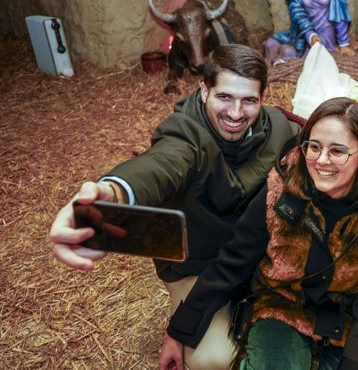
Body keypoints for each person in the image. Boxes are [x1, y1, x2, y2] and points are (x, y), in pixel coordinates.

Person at [50, 44, 301, 370]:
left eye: (249, 100)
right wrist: (110, 195)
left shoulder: (278, 126)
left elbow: (317, 142)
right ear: (203, 90)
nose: (236, 114)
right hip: (200, 262)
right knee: (210, 360)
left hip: (256, 254)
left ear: (262, 99)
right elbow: (161, 165)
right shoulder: (184, 134)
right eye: (224, 97)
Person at [159, 97, 358, 370]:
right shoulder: (282, 187)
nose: (322, 160)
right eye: (314, 147)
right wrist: (177, 333)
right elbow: (233, 262)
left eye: (337, 151)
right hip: (282, 307)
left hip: (345, 316)